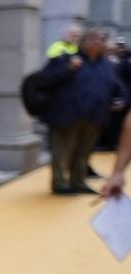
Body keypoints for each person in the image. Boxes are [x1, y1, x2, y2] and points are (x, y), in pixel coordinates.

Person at [41, 27, 128, 195]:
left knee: (84, 152)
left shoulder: (108, 65)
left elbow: (117, 86)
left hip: (94, 116)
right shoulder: (66, 58)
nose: (98, 41)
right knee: (62, 150)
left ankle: (78, 181)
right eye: (93, 38)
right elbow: (45, 79)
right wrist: (68, 69)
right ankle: (60, 184)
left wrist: (121, 100)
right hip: (66, 115)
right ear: (83, 42)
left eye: (102, 39)